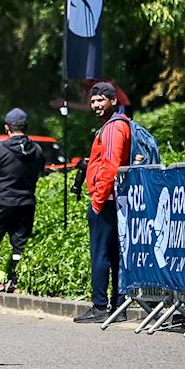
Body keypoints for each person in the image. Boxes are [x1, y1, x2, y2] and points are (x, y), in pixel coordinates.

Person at [0, 108, 45, 294]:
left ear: (7, 128)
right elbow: (40, 171)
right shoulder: (37, 150)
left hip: (2, 201)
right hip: (27, 202)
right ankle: (15, 281)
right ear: (26, 127)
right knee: (19, 243)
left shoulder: (1, 149)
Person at [74, 82, 129, 324]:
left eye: (101, 100)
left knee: (101, 255)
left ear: (113, 101)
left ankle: (99, 306)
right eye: (93, 100)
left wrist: (97, 200)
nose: (96, 105)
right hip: (114, 200)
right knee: (115, 255)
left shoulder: (113, 128)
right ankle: (118, 306)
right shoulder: (117, 126)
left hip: (106, 200)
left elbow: (110, 165)